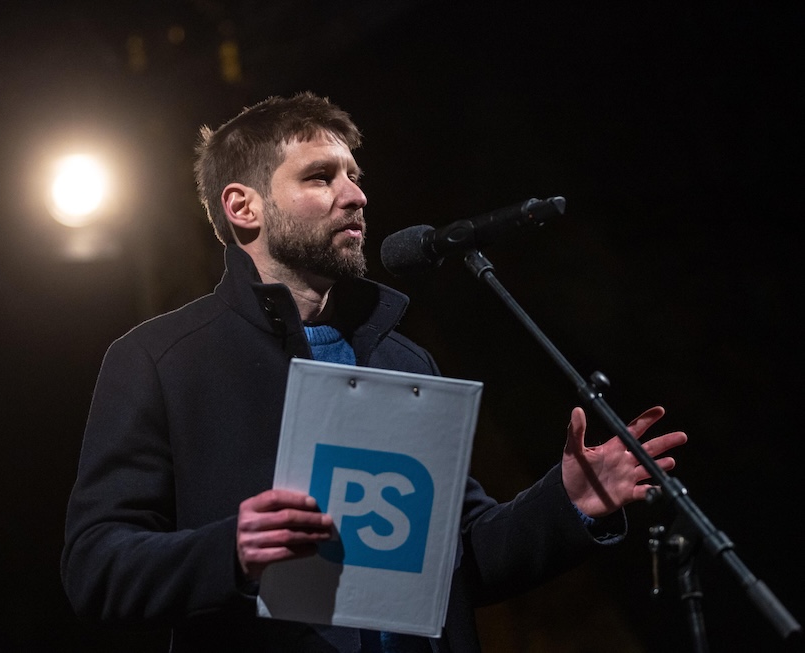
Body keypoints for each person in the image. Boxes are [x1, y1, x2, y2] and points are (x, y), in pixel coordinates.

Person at [60, 91, 687, 652]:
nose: (356, 195)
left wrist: (568, 502)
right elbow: (97, 568)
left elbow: (456, 560)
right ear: (243, 207)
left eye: (355, 177)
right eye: (320, 176)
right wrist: (228, 551)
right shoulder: (159, 360)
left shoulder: (402, 362)